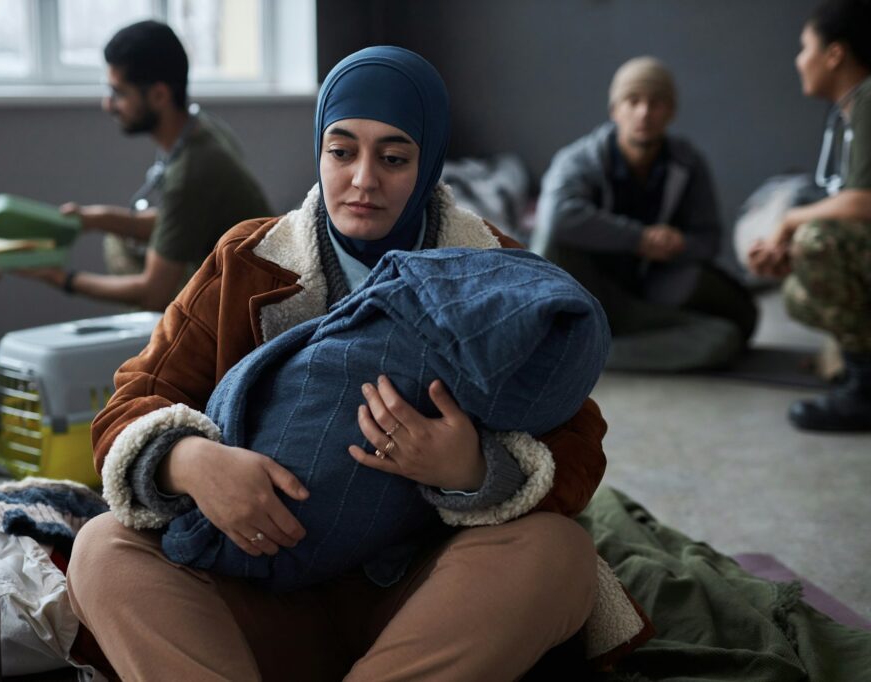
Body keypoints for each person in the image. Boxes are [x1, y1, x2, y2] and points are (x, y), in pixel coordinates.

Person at [66, 47, 651, 681]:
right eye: (342, 151)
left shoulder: (497, 270)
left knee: (557, 555)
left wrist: (472, 470)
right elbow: (130, 404)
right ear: (320, 149)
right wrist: (191, 461)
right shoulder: (246, 259)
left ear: (428, 162)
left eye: (394, 158)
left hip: (419, 603)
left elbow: (580, 446)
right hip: (254, 590)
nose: (364, 180)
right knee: (102, 549)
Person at [22, 20, 272, 311]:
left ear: (159, 95)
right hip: (242, 274)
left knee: (118, 247)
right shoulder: (201, 128)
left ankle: (177, 345)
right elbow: (180, 220)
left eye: (119, 93)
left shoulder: (191, 172)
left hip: (244, 303)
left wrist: (63, 279)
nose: (108, 104)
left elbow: (152, 292)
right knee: (117, 234)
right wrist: (91, 219)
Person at [534, 57, 758, 371]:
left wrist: (675, 243)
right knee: (551, 239)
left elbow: (709, 239)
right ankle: (571, 342)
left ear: (671, 111)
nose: (644, 112)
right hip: (583, 290)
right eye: (633, 101)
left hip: (639, 298)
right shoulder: (580, 159)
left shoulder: (687, 163)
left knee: (724, 337)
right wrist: (639, 239)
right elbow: (558, 217)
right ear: (615, 110)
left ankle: (591, 354)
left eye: (656, 102)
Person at [748, 0, 871, 432]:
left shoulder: (870, 98)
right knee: (802, 276)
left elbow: (864, 201)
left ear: (834, 54)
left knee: (818, 240)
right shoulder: (851, 111)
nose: (800, 60)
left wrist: (789, 223)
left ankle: (864, 389)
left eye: (805, 48)